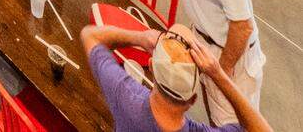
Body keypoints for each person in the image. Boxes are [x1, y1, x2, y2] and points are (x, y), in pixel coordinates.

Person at [81, 22, 273, 132]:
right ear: (193, 100)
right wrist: (218, 75)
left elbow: (90, 35)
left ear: (152, 69)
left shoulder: (125, 97)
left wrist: (139, 38)